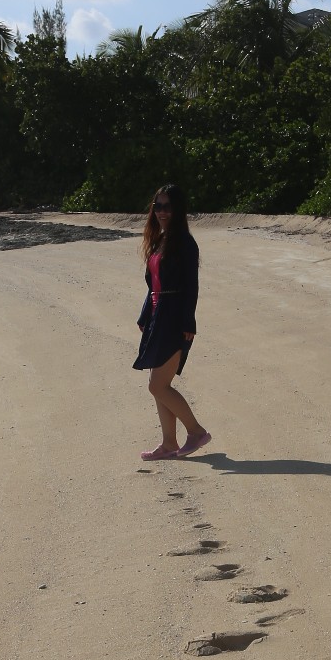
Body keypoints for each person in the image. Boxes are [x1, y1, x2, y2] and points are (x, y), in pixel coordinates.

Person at [133, 184, 212, 461]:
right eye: (158, 206)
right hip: (158, 318)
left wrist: (188, 322)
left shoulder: (185, 243)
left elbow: (192, 286)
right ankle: (168, 443)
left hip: (175, 318)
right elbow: (152, 285)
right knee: (159, 385)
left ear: (177, 210)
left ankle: (196, 432)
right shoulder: (159, 241)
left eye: (167, 207)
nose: (162, 212)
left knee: (157, 385)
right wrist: (146, 317)